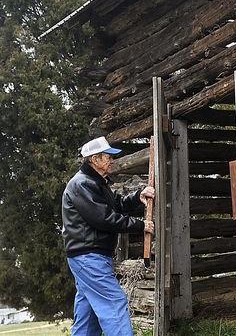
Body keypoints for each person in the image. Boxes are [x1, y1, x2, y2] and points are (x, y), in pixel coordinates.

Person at [62, 136, 155, 336]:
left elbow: (116, 205)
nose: (112, 160)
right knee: (114, 302)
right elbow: (104, 218)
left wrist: (137, 197)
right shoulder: (82, 184)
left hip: (88, 257)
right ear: (94, 159)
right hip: (89, 257)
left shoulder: (95, 183)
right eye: (108, 157)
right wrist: (141, 225)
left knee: (87, 314)